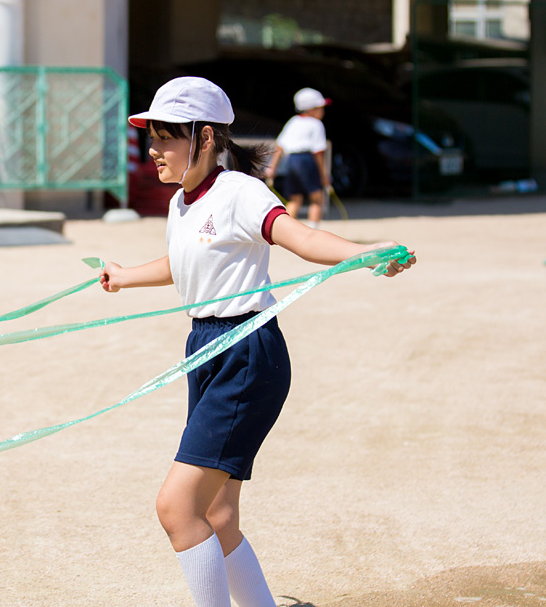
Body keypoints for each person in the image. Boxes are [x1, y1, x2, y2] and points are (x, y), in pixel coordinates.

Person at [99, 77, 415, 607]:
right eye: (151, 137)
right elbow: (184, 264)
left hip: (246, 353)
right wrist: (124, 275)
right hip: (204, 349)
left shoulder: (241, 193)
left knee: (178, 509)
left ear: (205, 138)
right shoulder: (180, 203)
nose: (153, 149)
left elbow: (303, 238)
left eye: (166, 137)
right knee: (217, 514)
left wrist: (366, 252)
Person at [265, 87, 332, 229]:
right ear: (311, 109)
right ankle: (313, 229)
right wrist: (324, 175)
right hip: (307, 160)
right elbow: (318, 152)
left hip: (291, 161)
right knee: (316, 199)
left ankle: (287, 230)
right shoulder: (317, 124)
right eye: (320, 108)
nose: (323, 111)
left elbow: (279, 146)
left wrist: (272, 167)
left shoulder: (293, 121)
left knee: (294, 199)